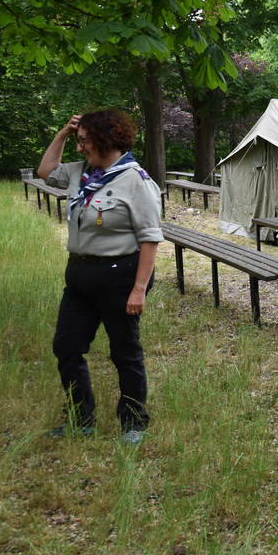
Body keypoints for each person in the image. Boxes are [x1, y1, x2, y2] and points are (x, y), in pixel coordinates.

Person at [37, 109, 164, 445]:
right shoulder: (81, 173)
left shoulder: (136, 181)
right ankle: (82, 419)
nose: (80, 149)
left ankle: (134, 421)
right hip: (79, 274)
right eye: (77, 142)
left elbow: (150, 239)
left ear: (105, 140)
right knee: (66, 347)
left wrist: (139, 290)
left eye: (84, 142)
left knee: (124, 351)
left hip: (119, 276)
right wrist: (63, 134)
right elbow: (45, 171)